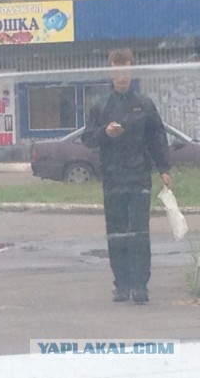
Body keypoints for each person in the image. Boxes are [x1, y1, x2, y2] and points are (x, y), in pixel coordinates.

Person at [82, 48, 171, 305]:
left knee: (140, 231)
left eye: (127, 71)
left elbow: (157, 137)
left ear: (132, 71)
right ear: (110, 72)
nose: (122, 77)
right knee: (117, 232)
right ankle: (121, 285)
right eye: (117, 71)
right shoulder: (101, 105)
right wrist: (105, 133)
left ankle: (140, 285)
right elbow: (88, 138)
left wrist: (164, 168)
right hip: (112, 178)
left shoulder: (144, 104)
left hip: (139, 176)